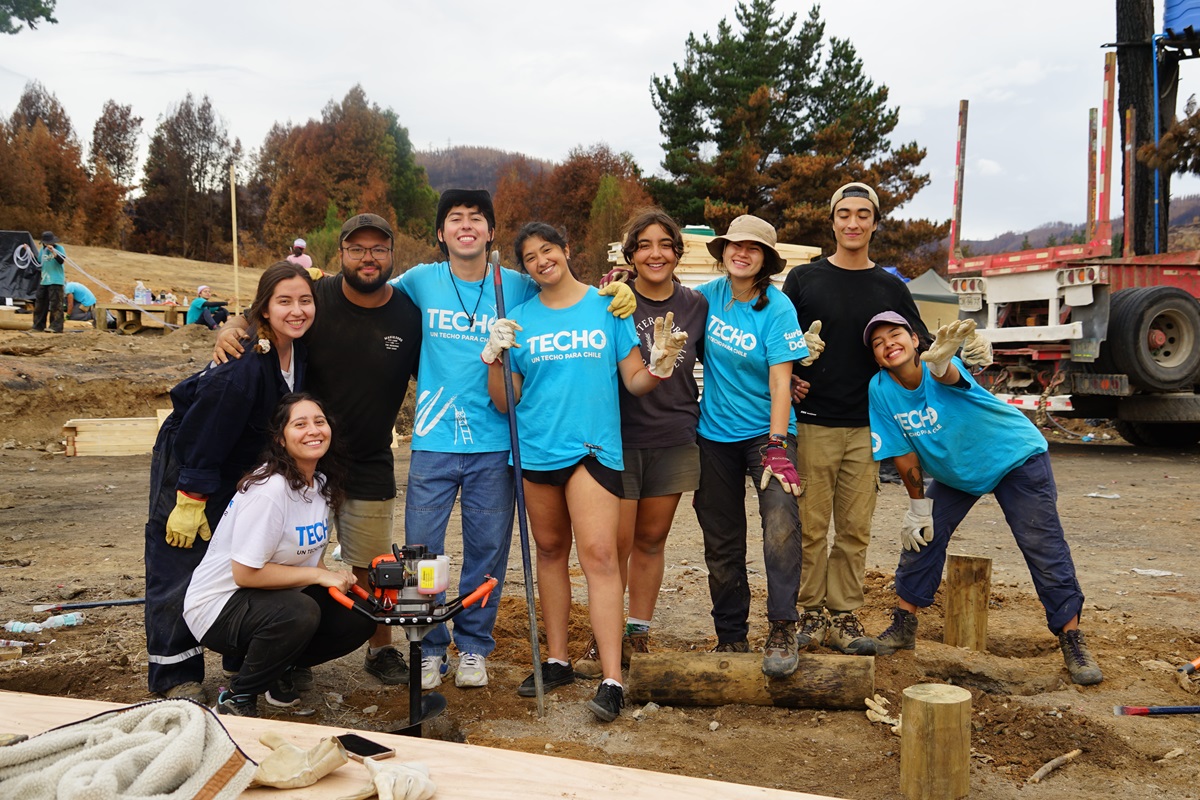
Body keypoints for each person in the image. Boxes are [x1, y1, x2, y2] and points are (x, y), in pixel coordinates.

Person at [484, 222, 682, 723]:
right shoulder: (520, 319)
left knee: (599, 557)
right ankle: (557, 659)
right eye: (529, 257)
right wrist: (493, 357)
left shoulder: (607, 307)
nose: (541, 261)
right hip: (535, 450)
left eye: (548, 250)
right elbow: (508, 400)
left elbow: (635, 382)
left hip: (592, 450)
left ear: (567, 249)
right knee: (550, 551)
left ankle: (612, 677)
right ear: (524, 267)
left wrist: (659, 366)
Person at [214, 213, 422, 686]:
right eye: (357, 249)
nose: (368, 258)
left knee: (370, 560)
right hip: (304, 455)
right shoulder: (317, 298)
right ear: (341, 255)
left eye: (378, 249)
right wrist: (231, 326)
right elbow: (268, 309)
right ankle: (271, 646)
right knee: (292, 553)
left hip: (368, 456)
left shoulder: (408, 315)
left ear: (392, 255)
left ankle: (379, 647)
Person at [861, 312, 1103, 686]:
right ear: (876, 357)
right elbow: (902, 452)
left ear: (914, 340)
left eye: (895, 336)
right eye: (878, 344)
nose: (888, 345)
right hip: (957, 472)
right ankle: (903, 627)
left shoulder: (942, 362)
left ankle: (1072, 640)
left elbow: (950, 375)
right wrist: (918, 506)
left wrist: (941, 362)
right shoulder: (880, 389)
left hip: (1012, 456)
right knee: (921, 537)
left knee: (1042, 545)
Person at [782, 182, 944, 656]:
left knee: (854, 528)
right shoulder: (804, 280)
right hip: (812, 422)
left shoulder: (890, 286)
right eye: (844, 214)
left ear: (875, 222)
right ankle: (808, 612)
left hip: (869, 425)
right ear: (832, 221)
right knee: (810, 528)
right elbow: (778, 342)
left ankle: (844, 615)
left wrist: (956, 356)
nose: (853, 223)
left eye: (862, 215)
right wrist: (793, 371)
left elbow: (920, 342)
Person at [145, 261, 316, 703]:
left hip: (241, 466)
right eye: (284, 302)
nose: (296, 310)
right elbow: (207, 427)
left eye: (304, 301)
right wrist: (191, 495)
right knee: (181, 560)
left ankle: (245, 655)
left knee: (242, 557)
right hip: (195, 457)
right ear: (264, 307)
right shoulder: (242, 363)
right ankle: (175, 673)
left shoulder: (297, 349)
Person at [573, 209, 707, 679]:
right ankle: (603, 637)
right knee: (617, 544)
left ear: (676, 252)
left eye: (665, 244)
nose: (656, 253)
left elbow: (728, 360)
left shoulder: (696, 304)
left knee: (652, 539)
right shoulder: (611, 300)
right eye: (644, 244)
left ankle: (638, 632)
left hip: (673, 434)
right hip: (619, 436)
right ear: (631, 254)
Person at [183, 392, 376, 716]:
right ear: (280, 438)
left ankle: (277, 668)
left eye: (319, 421)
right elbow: (244, 574)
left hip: (269, 600)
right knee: (299, 612)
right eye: (300, 424)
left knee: (361, 616)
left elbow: (309, 557)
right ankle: (238, 697)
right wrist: (318, 576)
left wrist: (331, 575)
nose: (313, 430)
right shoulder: (270, 491)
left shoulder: (320, 485)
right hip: (217, 606)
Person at [692, 215, 808, 678]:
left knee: (780, 525)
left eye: (752, 248)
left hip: (767, 434)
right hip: (714, 434)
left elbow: (783, 385)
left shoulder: (777, 309)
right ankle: (731, 633)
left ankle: (782, 626)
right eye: (734, 245)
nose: (741, 253)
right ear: (722, 251)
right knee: (721, 537)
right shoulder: (705, 298)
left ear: (765, 259)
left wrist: (778, 444)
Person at [31, 231, 65, 334]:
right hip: (44, 280)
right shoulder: (43, 250)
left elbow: (61, 260)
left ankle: (56, 326)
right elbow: (39, 263)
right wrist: (29, 252)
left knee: (56, 304)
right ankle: (38, 326)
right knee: (40, 304)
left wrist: (53, 252)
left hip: (56, 280)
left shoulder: (59, 249)